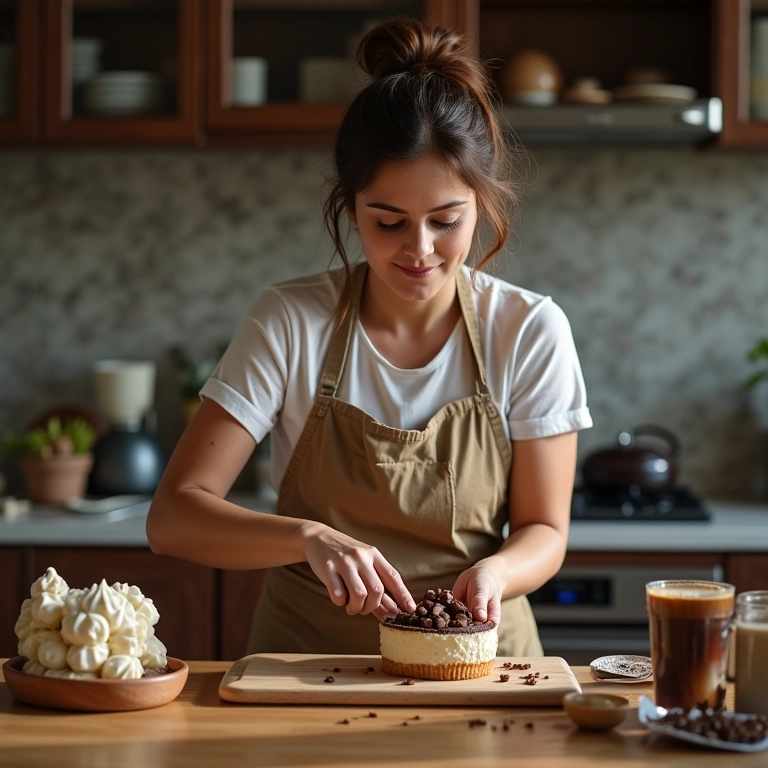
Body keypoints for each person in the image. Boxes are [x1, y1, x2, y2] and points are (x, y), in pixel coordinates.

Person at [146, 17, 592, 656]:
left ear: (483, 207)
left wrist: (495, 572)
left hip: (482, 666)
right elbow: (173, 519)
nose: (420, 250)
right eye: (389, 222)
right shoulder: (289, 322)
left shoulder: (527, 330)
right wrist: (307, 538)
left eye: (445, 221)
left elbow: (545, 529)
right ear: (351, 208)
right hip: (309, 669)